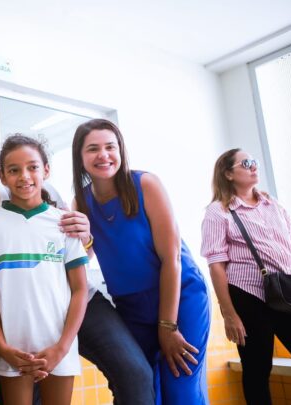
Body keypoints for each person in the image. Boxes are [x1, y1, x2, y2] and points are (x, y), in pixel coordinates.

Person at [0, 131, 155, 404]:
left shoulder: (41, 191)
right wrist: (1, 344)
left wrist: (87, 237)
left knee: (135, 375)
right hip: (17, 321)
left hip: (75, 303)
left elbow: (73, 256)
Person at [72, 118, 210, 403]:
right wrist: (83, 241)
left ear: (121, 150)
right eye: (93, 149)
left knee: (180, 388)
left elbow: (171, 259)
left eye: (111, 147)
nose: (103, 155)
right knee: (145, 391)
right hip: (131, 306)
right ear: (80, 157)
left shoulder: (146, 183)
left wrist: (167, 326)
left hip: (180, 295)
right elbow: (83, 257)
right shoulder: (80, 203)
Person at [0, 134, 89, 404]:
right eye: (14, 170)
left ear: (46, 170)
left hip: (59, 348)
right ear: (1, 176)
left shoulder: (63, 222)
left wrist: (62, 347)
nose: (24, 176)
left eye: (33, 167)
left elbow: (80, 290)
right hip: (12, 350)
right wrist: (2, 346)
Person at [201, 148, 291, 404]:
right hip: (248, 296)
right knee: (256, 368)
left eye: (255, 162)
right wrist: (229, 314)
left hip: (286, 291)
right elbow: (216, 265)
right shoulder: (218, 212)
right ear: (229, 173)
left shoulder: (272, 204)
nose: (254, 166)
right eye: (247, 163)